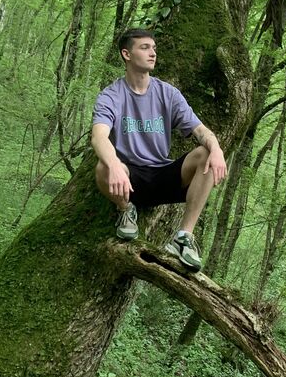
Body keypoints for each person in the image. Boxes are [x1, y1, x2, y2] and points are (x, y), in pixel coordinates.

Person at [91, 28, 227, 272]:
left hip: (163, 174)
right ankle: (125, 210)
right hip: (129, 179)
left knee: (206, 154)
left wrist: (216, 148)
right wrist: (114, 165)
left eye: (154, 48)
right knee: (103, 166)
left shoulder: (168, 93)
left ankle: (183, 237)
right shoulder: (111, 95)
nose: (152, 53)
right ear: (126, 54)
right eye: (145, 48)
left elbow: (200, 130)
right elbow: (99, 136)